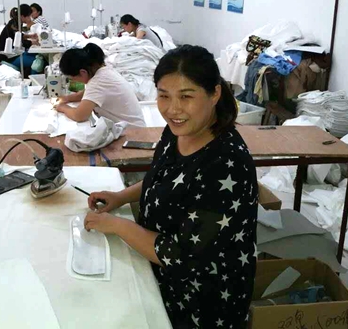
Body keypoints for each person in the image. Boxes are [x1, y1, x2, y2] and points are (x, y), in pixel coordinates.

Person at [84, 45, 258, 328]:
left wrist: (117, 225)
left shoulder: (225, 165)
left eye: (186, 96)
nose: (173, 109)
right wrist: (120, 196)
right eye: (164, 96)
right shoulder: (177, 130)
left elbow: (181, 256)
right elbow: (163, 178)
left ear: (214, 94)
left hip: (202, 302)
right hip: (159, 274)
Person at [56, 43, 145, 126]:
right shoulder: (104, 72)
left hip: (133, 132)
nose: (74, 81)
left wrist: (62, 107)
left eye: (73, 78)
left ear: (83, 73)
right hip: (135, 126)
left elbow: (79, 116)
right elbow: (87, 94)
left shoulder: (97, 82)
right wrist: (67, 98)